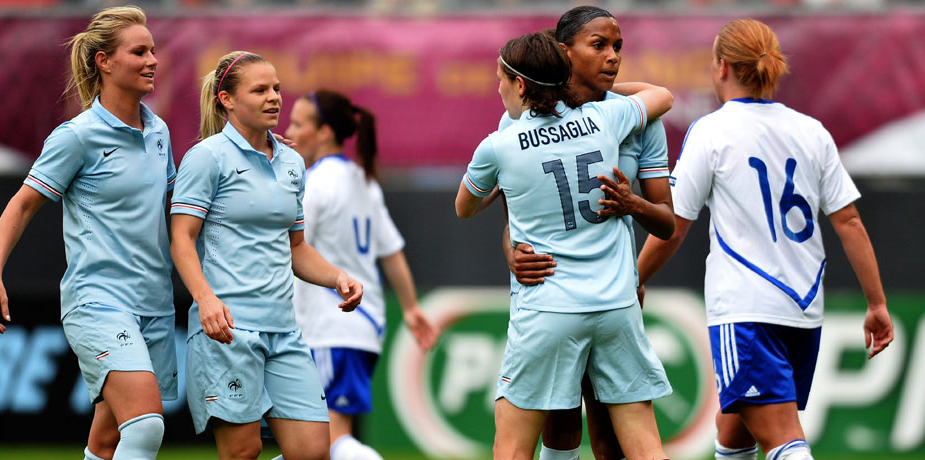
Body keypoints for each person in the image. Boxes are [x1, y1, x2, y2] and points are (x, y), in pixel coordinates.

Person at [636, 18, 894, 460]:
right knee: (733, 432)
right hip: (803, 308)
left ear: (720, 66)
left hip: (747, 308)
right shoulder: (811, 131)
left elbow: (674, 225)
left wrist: (633, 279)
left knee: (782, 438)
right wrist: (877, 303)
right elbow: (849, 221)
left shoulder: (712, 131)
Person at [455, 31, 674, 460]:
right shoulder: (605, 118)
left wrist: (503, 184)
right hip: (616, 306)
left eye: (500, 79)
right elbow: (661, 97)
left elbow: (465, 208)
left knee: (513, 449)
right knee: (646, 448)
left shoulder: (499, 145)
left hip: (549, 307)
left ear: (520, 84)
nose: (498, 88)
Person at [0, 6, 175, 460]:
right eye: (139, 51)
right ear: (105, 61)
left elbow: (177, 209)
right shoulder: (77, 136)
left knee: (107, 442)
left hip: (155, 304)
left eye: (152, 50)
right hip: (98, 302)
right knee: (145, 428)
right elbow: (21, 205)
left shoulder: (159, 131)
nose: (152, 60)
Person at [170, 51, 364, 460]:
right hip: (227, 330)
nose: (274, 97)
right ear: (226, 100)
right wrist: (205, 299)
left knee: (313, 452)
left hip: (284, 331)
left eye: (276, 88)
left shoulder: (293, 162)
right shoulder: (206, 157)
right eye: (259, 90)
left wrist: (337, 277)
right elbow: (181, 240)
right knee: (243, 451)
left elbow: (297, 248)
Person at [283, 89, 440, 460]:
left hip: (329, 325)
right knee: (314, 446)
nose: (289, 131)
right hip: (364, 327)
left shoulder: (313, 183)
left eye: (298, 124)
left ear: (324, 132)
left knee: (327, 441)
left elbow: (291, 249)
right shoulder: (363, 180)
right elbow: (392, 252)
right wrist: (410, 308)